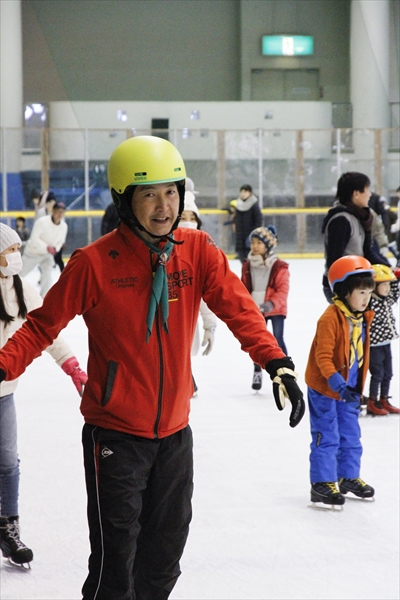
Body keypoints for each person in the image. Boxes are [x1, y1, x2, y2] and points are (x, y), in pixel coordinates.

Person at [0, 135, 305, 599]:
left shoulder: (197, 250)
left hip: (175, 435)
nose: (165, 206)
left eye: (171, 192)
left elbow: (240, 310)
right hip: (116, 436)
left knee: (165, 557)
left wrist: (275, 360)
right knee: (114, 565)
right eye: (149, 194)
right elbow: (40, 327)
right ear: (125, 201)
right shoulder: (95, 263)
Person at [0, 223, 87, 567]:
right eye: (10, 251)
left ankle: (8, 528)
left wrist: (71, 365)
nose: (17, 257)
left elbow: (45, 329)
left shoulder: (23, 288)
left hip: (4, 392)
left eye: (19, 250)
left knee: (7, 462)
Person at [305, 255, 376, 508]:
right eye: (361, 292)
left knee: (351, 433)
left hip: (350, 386)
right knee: (327, 434)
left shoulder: (363, 317)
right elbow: (322, 357)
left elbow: (360, 354)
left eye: (369, 291)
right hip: (326, 387)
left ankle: (348, 476)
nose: (367, 297)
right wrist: (338, 385)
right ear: (345, 291)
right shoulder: (330, 318)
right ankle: (322, 483)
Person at [322, 172, 391, 303]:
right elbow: (334, 260)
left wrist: (388, 269)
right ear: (356, 193)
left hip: (358, 285)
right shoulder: (341, 220)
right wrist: (342, 291)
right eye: (367, 189)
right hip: (344, 286)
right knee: (349, 324)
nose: (370, 194)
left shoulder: (360, 217)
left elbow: (367, 252)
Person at [241, 226, 289, 391]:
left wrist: (271, 304)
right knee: (258, 341)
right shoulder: (247, 265)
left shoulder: (279, 266)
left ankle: (285, 372)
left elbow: (282, 290)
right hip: (255, 309)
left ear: (268, 246)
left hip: (275, 309)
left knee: (277, 339)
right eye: (253, 242)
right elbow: (243, 287)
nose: (254, 246)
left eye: (259, 243)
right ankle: (257, 370)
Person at [178, 190, 217, 394]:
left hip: (185, 325)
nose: (188, 223)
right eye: (183, 217)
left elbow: (202, 295)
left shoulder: (200, 255)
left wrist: (210, 326)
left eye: (192, 218)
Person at [365, 264, 400, 416]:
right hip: (374, 346)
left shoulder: (386, 299)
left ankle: (384, 399)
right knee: (377, 373)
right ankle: (373, 401)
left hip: (386, 343)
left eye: (388, 285)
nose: (387, 288)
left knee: (388, 373)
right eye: (383, 285)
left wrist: (396, 279)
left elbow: (395, 292)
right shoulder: (370, 303)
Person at [19, 201, 68, 297]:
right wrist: (46, 247)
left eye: (62, 212)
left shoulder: (64, 226)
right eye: (58, 211)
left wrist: (55, 249)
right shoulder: (42, 222)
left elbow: (60, 241)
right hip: (33, 253)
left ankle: (43, 299)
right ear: (53, 211)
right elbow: (34, 238)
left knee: (47, 276)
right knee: (20, 273)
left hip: (47, 255)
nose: (60, 214)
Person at [233, 184, 262, 263]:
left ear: (250, 193)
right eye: (241, 191)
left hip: (250, 236)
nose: (243, 193)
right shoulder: (238, 205)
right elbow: (237, 220)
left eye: (245, 191)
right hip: (240, 236)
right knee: (242, 259)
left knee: (252, 260)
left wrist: (254, 235)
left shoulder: (254, 205)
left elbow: (258, 221)